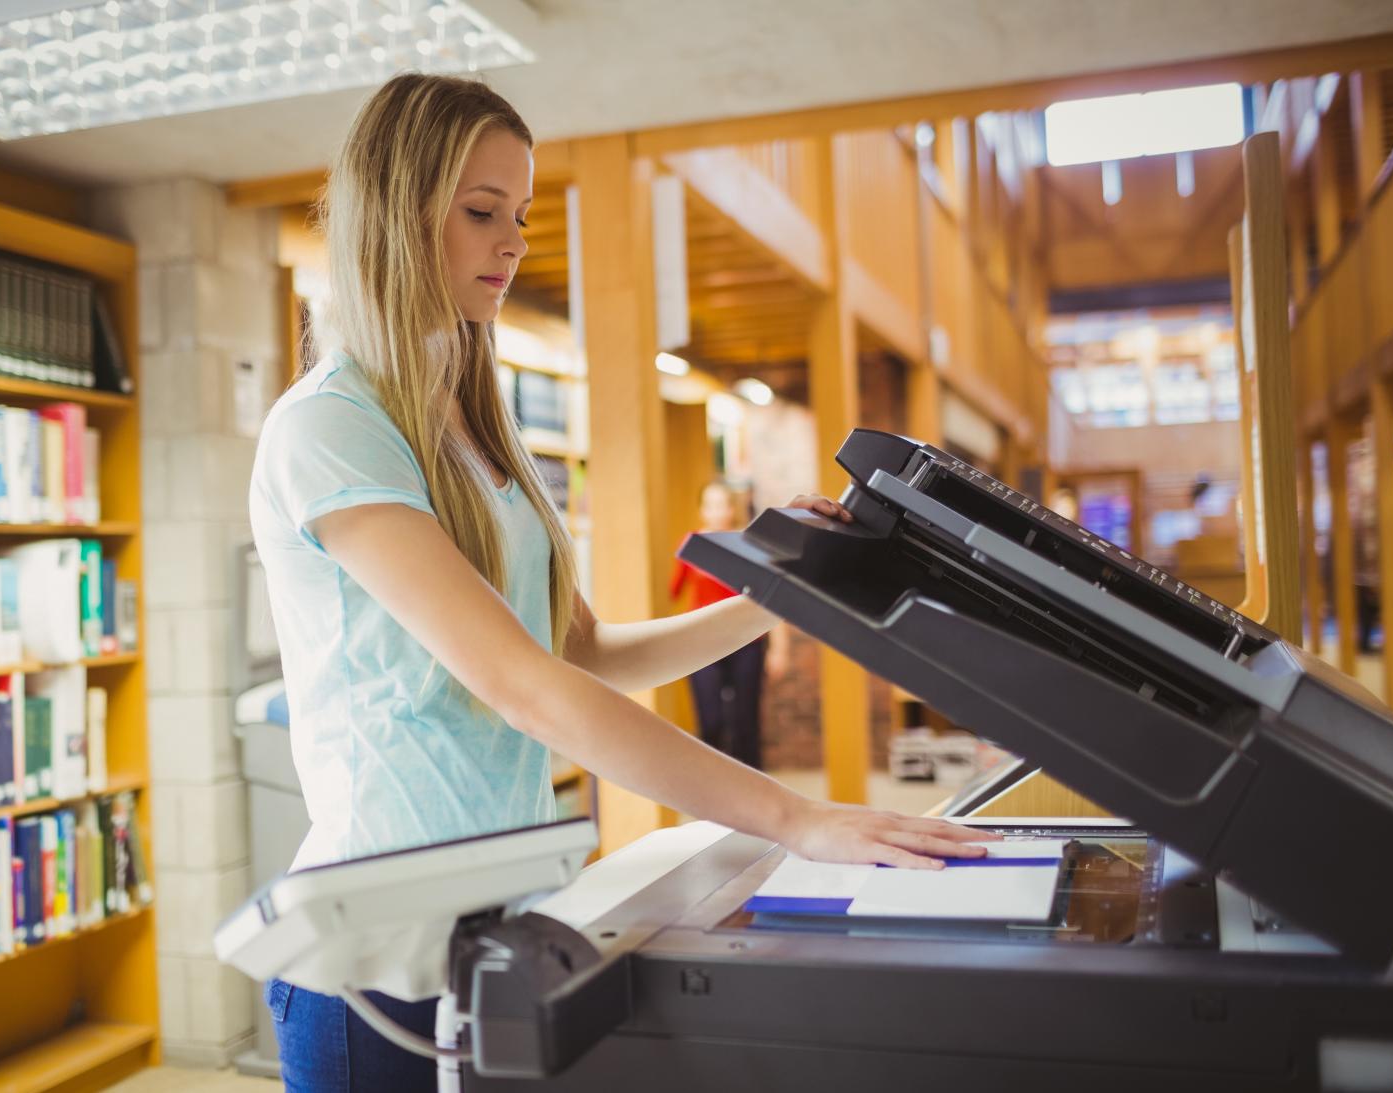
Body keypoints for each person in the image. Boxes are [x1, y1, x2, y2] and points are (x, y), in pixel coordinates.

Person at [247, 72, 993, 1093]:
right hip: (377, 956)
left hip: (492, 924)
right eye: (478, 213)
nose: (510, 244)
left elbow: (580, 649)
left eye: (518, 215)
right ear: (393, 212)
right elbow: (522, 684)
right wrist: (793, 817)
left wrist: (780, 597)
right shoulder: (330, 425)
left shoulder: (472, 424)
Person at [670, 481, 790, 768]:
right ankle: (712, 793)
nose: (716, 511)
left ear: (730, 509)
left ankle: (754, 795)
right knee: (710, 721)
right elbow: (674, 591)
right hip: (702, 645)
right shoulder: (691, 544)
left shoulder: (746, 543)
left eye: (722, 504)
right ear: (701, 510)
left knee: (745, 723)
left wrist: (779, 648)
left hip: (745, 643)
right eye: (709, 505)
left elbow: (769, 597)